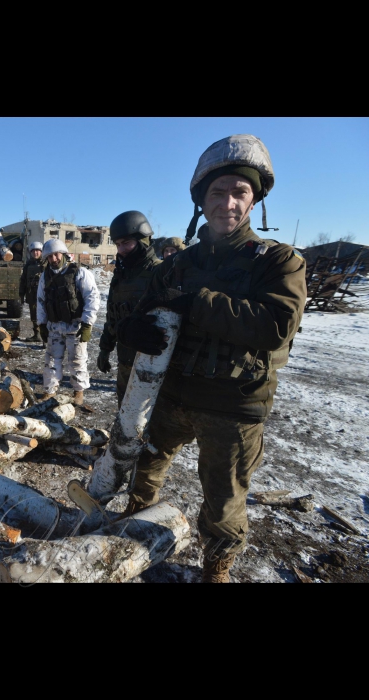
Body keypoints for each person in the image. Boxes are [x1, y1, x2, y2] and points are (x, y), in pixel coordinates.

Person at [115, 134, 306, 583]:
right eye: (217, 193)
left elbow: (275, 325)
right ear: (202, 201)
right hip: (171, 396)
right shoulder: (177, 265)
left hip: (233, 407)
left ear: (255, 199)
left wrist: (198, 302)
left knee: (223, 500)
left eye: (240, 192)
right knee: (144, 471)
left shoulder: (279, 262)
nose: (228, 203)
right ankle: (129, 536)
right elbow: (146, 310)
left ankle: (216, 568)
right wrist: (131, 329)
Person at [97, 211, 162, 407]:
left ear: (142, 240)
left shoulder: (160, 272)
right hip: (125, 362)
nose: (121, 249)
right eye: (117, 244)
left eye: (126, 243)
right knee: (125, 415)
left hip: (152, 365)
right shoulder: (121, 275)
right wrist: (105, 348)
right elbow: (112, 314)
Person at [36, 238, 100, 406]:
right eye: (50, 257)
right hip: (54, 327)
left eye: (56, 255)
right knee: (51, 360)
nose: (54, 259)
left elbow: (92, 297)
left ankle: (78, 392)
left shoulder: (79, 273)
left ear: (63, 254)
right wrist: (41, 324)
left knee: (77, 361)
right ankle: (49, 391)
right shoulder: (45, 275)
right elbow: (41, 301)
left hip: (75, 326)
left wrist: (87, 323)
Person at [18, 240, 45, 342]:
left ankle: (45, 338)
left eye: (38, 251)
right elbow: (23, 280)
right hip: (31, 295)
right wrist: (21, 294)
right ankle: (36, 335)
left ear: (41, 252)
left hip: (43, 295)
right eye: (33, 251)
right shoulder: (28, 265)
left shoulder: (45, 264)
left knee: (43, 316)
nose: (35, 253)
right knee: (33, 316)